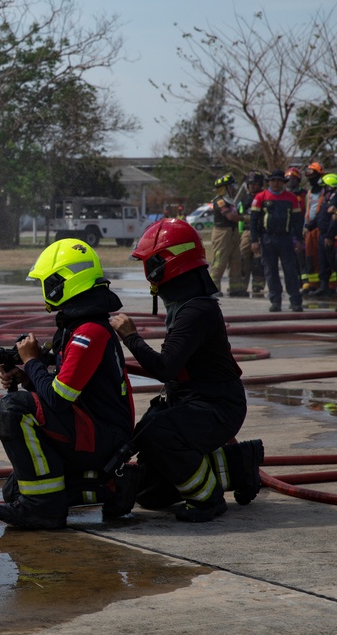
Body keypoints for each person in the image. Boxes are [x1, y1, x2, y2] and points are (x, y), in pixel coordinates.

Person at [110, 218, 262, 522]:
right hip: (196, 402)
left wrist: (130, 337)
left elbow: (166, 367)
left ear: (162, 264)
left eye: (149, 263)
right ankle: (238, 465)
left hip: (217, 406)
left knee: (158, 434)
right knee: (150, 493)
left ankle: (207, 500)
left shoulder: (197, 310)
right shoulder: (187, 305)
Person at [0, 238, 135, 530]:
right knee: (15, 491)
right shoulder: (79, 326)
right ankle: (111, 487)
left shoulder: (89, 331)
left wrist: (31, 362)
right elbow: (66, 386)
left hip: (102, 434)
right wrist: (29, 377)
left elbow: (58, 399)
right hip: (95, 428)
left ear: (61, 283)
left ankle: (43, 511)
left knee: (12, 410)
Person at [250, 169, 304, 312]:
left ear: (283, 183)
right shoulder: (260, 197)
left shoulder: (292, 198)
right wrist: (254, 240)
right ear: (269, 182)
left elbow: (298, 221)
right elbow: (253, 221)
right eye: (273, 180)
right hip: (267, 239)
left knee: (290, 270)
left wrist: (299, 239)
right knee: (270, 271)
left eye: (279, 181)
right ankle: (275, 302)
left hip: (286, 239)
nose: (276, 183)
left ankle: (296, 301)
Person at [208, 173, 244, 296]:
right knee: (220, 260)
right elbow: (231, 216)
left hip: (233, 233)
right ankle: (213, 288)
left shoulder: (231, 201)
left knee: (236, 260)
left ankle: (235, 288)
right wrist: (247, 218)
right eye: (232, 186)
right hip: (222, 233)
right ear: (225, 187)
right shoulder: (219, 201)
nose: (234, 189)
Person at [235, 171, 266, 296]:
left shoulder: (264, 197)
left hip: (260, 232)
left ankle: (258, 285)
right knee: (243, 258)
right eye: (250, 183)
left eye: (255, 183)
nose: (252, 186)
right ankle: (242, 285)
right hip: (246, 232)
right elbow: (239, 215)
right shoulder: (244, 199)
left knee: (258, 260)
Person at [302, 162, 328, 294]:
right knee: (310, 256)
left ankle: (329, 285)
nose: (310, 178)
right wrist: (305, 227)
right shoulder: (310, 193)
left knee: (323, 257)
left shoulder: (326, 191)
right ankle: (313, 284)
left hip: (322, 227)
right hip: (309, 229)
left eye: (312, 174)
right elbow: (307, 210)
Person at [315, 172, 337, 298]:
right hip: (323, 235)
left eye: (324, 187)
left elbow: (335, 220)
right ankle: (324, 287)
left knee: (333, 262)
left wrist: (330, 236)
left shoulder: (335, 201)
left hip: (331, 237)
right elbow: (320, 216)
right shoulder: (326, 200)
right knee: (323, 262)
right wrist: (308, 226)